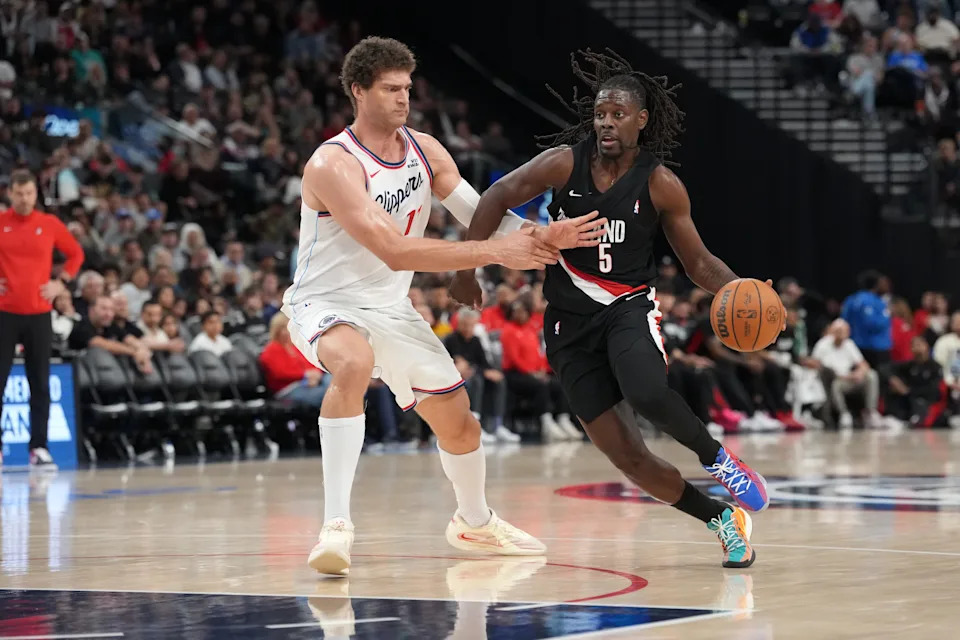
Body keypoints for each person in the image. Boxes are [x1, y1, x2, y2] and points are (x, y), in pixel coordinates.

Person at [280, 37, 605, 576]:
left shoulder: (427, 151)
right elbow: (394, 247)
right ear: (358, 92)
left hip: (391, 308)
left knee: (462, 427)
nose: (403, 98)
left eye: (407, 87)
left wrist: (547, 235)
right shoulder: (331, 165)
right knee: (354, 362)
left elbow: (481, 214)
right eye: (390, 89)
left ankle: (474, 522)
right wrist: (498, 251)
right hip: (325, 303)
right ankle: (335, 525)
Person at [451, 49, 775, 568]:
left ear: (641, 120)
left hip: (627, 308)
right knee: (629, 458)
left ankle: (721, 461)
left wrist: (742, 288)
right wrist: (467, 269)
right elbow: (496, 195)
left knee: (647, 391)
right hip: (566, 324)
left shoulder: (660, 183)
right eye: (600, 113)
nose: (606, 122)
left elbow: (698, 263)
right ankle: (721, 519)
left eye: (618, 114)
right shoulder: (564, 162)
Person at [0, 169, 84, 469]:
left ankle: (39, 448)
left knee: (40, 383)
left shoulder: (48, 224)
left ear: (36, 194)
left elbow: (75, 254)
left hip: (38, 314)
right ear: (10, 193)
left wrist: (61, 284)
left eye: (30, 193)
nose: (24, 199)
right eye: (19, 193)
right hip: (4, 313)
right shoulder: (1, 223)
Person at [811, 319, 882, 429]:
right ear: (832, 331)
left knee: (872, 375)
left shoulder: (849, 344)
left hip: (850, 379)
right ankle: (844, 414)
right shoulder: (823, 344)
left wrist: (859, 373)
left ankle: (871, 412)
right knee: (836, 384)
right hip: (834, 378)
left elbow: (864, 364)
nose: (841, 334)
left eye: (843, 331)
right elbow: (815, 363)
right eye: (838, 331)